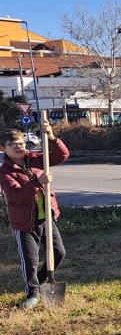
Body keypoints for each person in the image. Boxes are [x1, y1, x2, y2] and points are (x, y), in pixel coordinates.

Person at [0, 126, 70, 309]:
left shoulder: (37, 159)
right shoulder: (5, 172)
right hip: (25, 223)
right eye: (12, 144)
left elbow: (61, 155)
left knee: (59, 253)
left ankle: (40, 283)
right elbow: (15, 195)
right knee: (30, 261)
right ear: (3, 148)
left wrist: (52, 137)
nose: (18, 147)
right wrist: (38, 182)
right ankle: (32, 293)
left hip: (46, 217)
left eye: (21, 143)